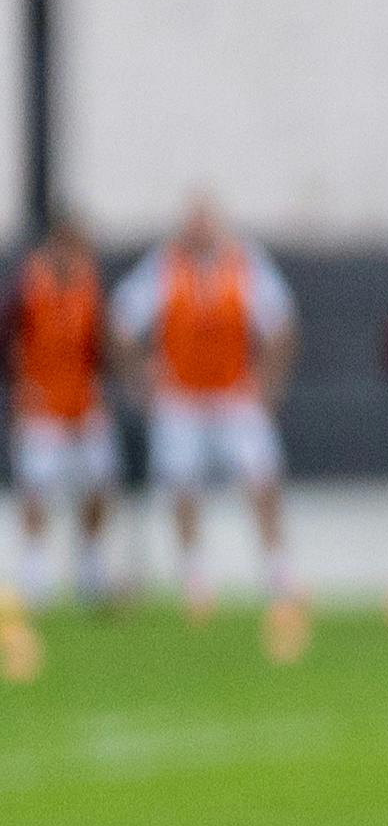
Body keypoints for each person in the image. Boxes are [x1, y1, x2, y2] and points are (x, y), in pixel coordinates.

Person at [113, 193, 307, 662]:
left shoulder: (245, 263)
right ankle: (195, 578)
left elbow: (282, 324)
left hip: (234, 392)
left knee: (261, 477)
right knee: (182, 485)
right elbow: (119, 321)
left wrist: (270, 381)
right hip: (180, 396)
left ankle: (278, 573)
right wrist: (140, 373)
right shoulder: (163, 266)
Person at [6, 214, 121, 681]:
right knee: (37, 488)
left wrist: (105, 389)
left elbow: (102, 345)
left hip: (83, 402)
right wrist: (17, 393)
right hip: (39, 403)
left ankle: (91, 566)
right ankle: (35, 574)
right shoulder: (27, 286)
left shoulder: (90, 286)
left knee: (98, 484)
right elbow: (11, 339)